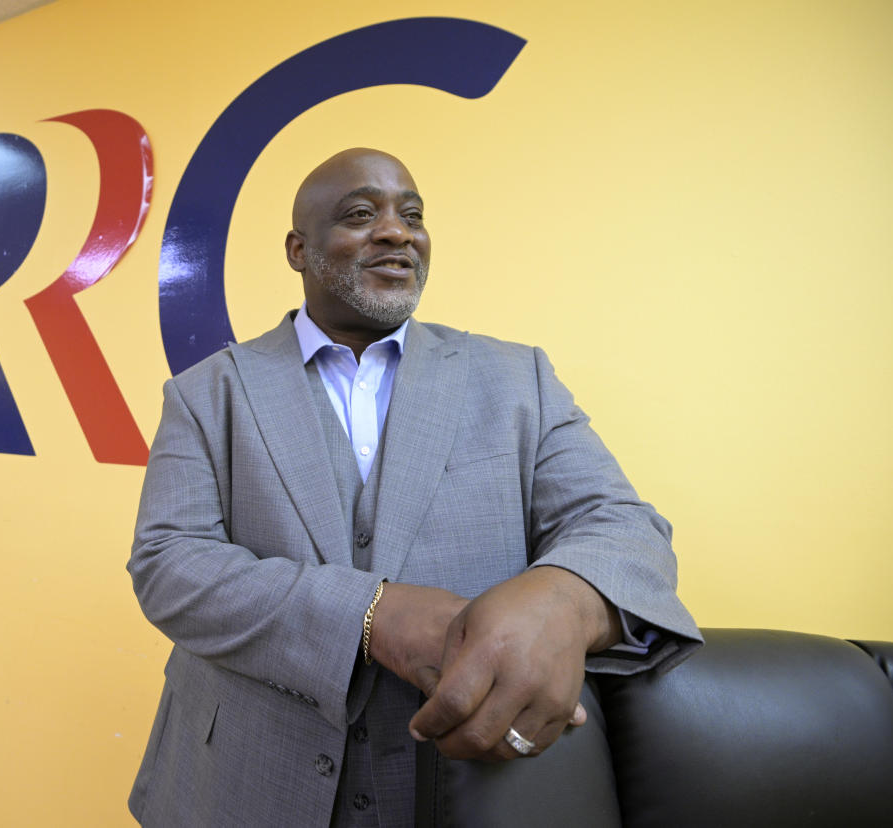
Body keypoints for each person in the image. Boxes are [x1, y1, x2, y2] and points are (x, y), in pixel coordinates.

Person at [127, 148, 701, 827]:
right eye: (362, 214)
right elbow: (169, 564)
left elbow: (623, 528)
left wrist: (567, 601)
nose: (398, 231)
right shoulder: (206, 393)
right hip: (242, 785)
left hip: (473, 791)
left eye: (414, 215)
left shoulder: (519, 379)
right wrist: (370, 615)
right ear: (297, 249)